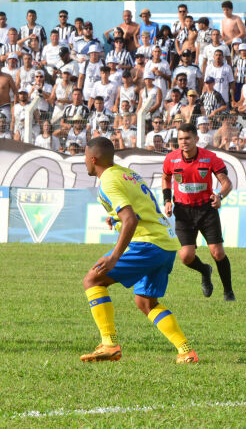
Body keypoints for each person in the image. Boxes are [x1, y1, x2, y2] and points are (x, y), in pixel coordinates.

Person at [81, 136, 197, 363]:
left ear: (93, 159)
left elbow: (131, 219)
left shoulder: (108, 181)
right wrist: (115, 220)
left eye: (85, 157)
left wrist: (114, 256)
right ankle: (186, 351)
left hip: (147, 243)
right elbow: (137, 210)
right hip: (165, 243)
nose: (84, 161)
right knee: (145, 302)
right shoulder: (126, 173)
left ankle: (109, 344)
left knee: (93, 280)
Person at [162, 123, 234, 301]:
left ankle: (228, 292)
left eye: (187, 138)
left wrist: (220, 197)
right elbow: (166, 178)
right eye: (180, 139)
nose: (183, 142)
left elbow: (227, 183)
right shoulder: (171, 159)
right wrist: (167, 200)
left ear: (196, 139)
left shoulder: (210, 158)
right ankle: (205, 270)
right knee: (186, 257)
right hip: (183, 212)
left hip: (206, 210)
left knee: (217, 252)